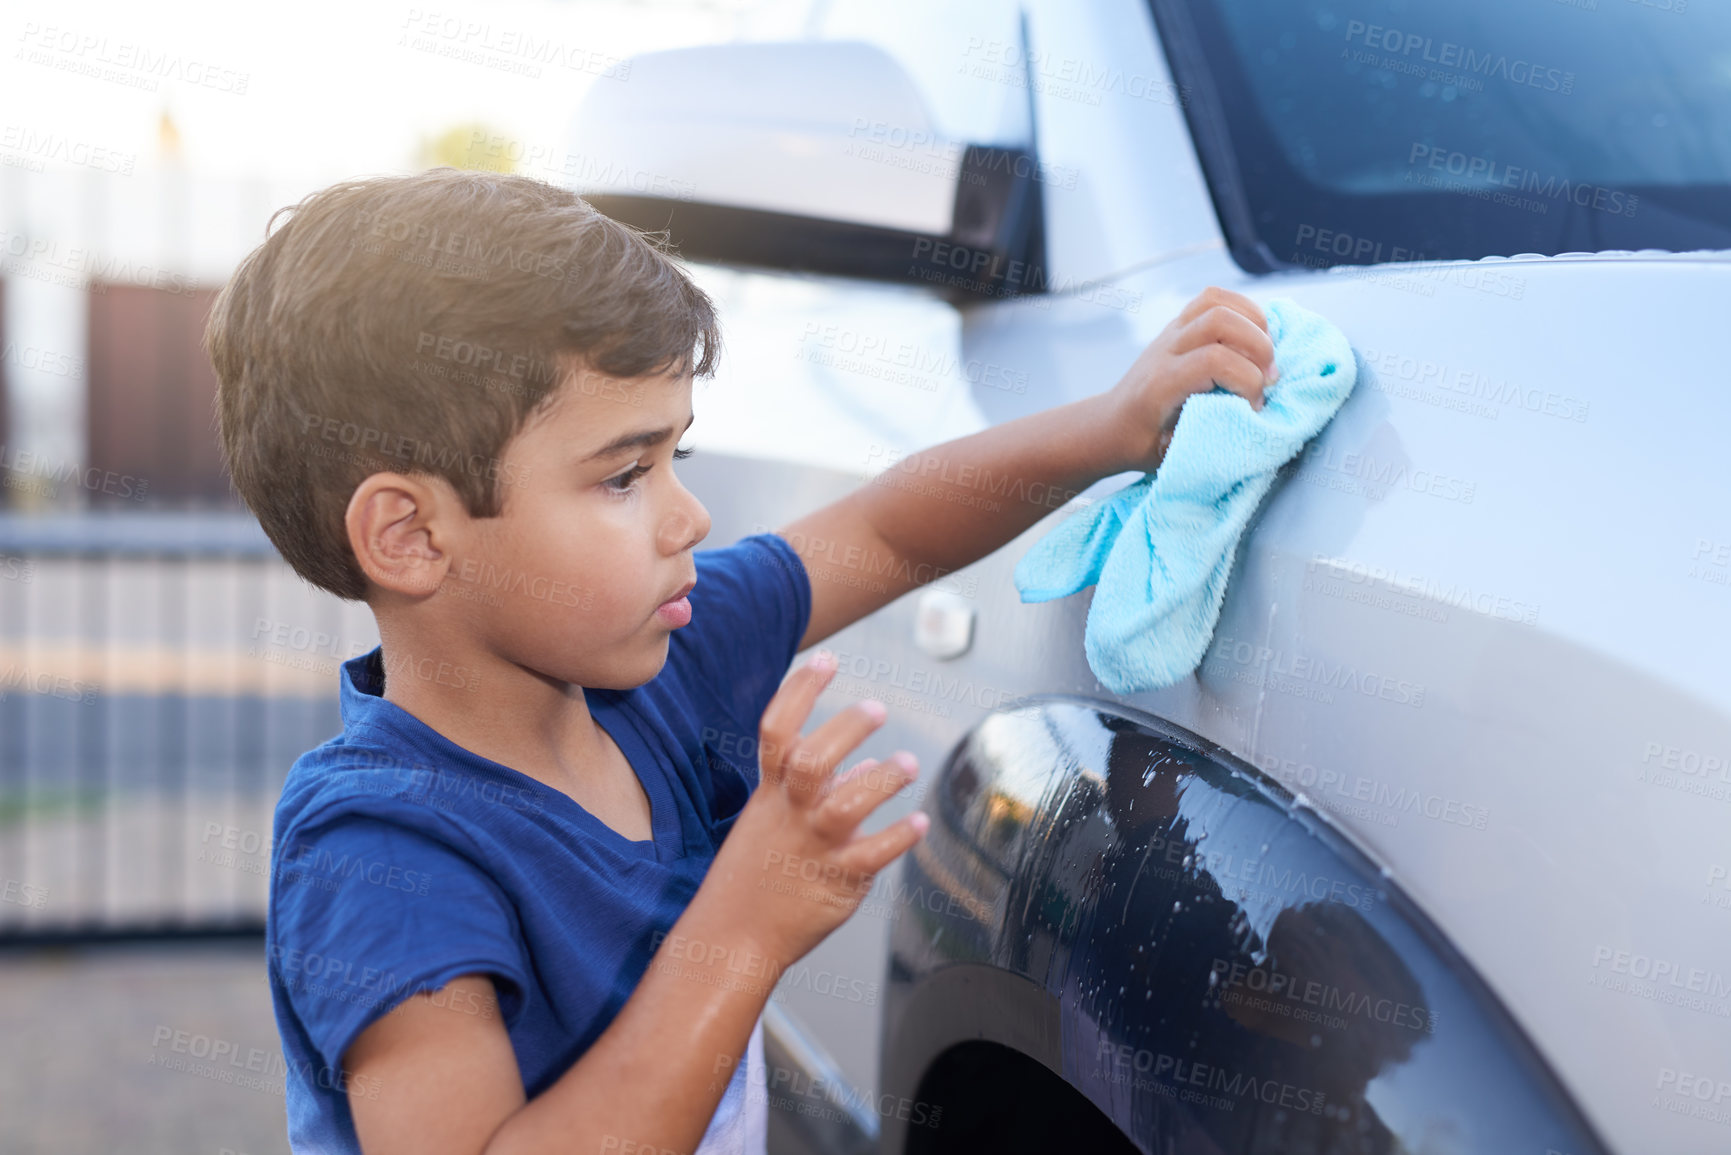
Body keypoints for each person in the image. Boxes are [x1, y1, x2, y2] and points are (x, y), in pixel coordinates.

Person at [204, 167, 1277, 1155]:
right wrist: (745, 923)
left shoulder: (663, 664)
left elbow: (888, 531)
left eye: (680, 455)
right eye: (625, 475)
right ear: (410, 536)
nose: (691, 515)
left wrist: (1110, 426)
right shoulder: (382, 852)